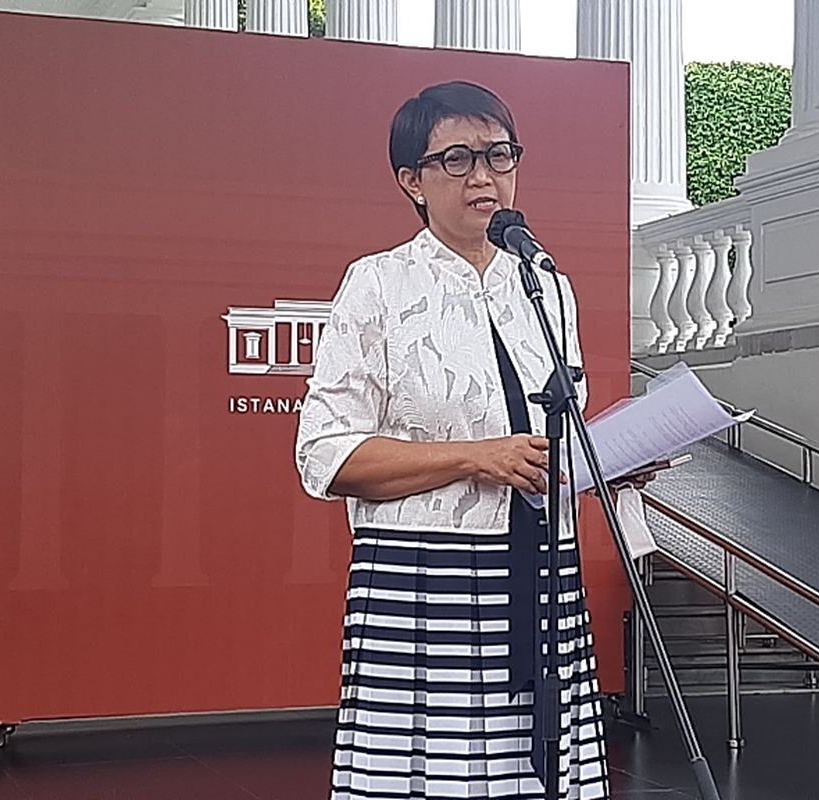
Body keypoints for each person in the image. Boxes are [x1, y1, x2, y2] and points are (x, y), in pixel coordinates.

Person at [294, 80, 613, 799]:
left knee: (542, 779)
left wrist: (608, 465)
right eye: (459, 159)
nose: (485, 175)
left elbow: (553, 439)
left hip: (542, 573)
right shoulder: (376, 284)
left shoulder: (546, 283)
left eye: (500, 154)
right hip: (423, 580)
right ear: (411, 181)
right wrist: (476, 456)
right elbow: (324, 454)